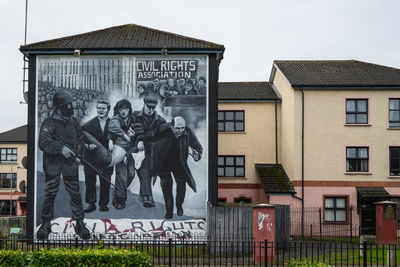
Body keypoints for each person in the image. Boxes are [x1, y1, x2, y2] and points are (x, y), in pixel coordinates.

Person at [37, 90, 90, 239]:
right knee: (50, 193)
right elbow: (43, 142)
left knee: (75, 193)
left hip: (69, 164)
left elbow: (80, 139)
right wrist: (61, 148)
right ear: (61, 107)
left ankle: (80, 223)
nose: (71, 107)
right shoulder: (49, 122)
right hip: (53, 165)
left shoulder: (73, 122)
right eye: (68, 105)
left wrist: (79, 155)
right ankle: (45, 223)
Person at [157, 116, 203, 219]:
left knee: (181, 184)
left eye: (182, 128)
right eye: (178, 128)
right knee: (166, 184)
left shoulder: (188, 132)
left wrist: (197, 155)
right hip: (164, 163)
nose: (181, 131)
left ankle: (179, 205)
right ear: (171, 127)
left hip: (179, 163)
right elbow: (150, 139)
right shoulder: (163, 130)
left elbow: (198, 146)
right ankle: (169, 210)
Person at [108, 99, 143, 209]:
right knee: (121, 175)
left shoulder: (133, 118)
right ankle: (120, 200)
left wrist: (135, 134)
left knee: (131, 174)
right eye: (121, 109)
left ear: (129, 109)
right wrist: (124, 135)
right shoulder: (115, 119)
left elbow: (140, 129)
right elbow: (112, 127)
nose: (123, 111)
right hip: (119, 149)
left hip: (131, 151)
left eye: (125, 109)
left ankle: (120, 190)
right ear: (118, 110)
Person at [134, 96, 166, 208]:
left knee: (148, 172)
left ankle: (142, 196)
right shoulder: (135, 116)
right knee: (144, 171)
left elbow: (164, 137)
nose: (151, 110)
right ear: (144, 104)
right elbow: (133, 130)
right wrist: (138, 141)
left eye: (153, 108)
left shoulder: (160, 120)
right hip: (137, 150)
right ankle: (148, 198)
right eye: (149, 107)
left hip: (153, 152)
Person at [82, 99, 113, 213]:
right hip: (91, 157)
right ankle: (91, 204)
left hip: (107, 158)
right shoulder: (88, 125)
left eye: (103, 108)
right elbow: (80, 141)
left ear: (108, 109)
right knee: (90, 181)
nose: (101, 110)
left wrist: (112, 142)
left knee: (105, 181)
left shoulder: (114, 124)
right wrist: (88, 146)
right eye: (99, 108)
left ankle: (103, 204)